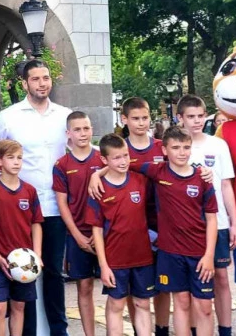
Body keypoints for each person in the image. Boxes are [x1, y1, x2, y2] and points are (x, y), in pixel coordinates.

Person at [94, 127, 218, 335]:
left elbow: (212, 219)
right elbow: (120, 164)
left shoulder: (202, 177)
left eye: (186, 147)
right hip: (171, 252)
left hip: (199, 252)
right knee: (181, 301)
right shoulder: (157, 171)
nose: (182, 152)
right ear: (165, 150)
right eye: (176, 148)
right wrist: (97, 174)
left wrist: (209, 255)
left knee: (204, 307)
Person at [0, 59, 71, 336]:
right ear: (25, 83)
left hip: (56, 207)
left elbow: (80, 152)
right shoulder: (8, 117)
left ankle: (59, 331)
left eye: (46, 78)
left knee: (53, 273)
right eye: (35, 79)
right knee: (22, 271)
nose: (42, 83)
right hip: (20, 209)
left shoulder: (64, 116)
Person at [177, 95, 236, 336]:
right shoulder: (174, 146)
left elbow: (226, 185)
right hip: (188, 226)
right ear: (180, 118)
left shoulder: (218, 145)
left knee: (221, 276)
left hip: (219, 221)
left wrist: (234, 222)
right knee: (191, 282)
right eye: (191, 116)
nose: (196, 121)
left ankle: (225, 330)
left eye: (200, 116)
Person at [87, 134, 155, 336]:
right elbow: (97, 230)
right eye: (116, 157)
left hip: (142, 256)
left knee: (143, 303)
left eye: (125, 155)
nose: (123, 161)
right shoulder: (98, 189)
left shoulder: (140, 180)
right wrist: (103, 265)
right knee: (116, 304)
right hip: (115, 259)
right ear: (104, 159)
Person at [0, 139, 44, 336]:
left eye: (19, 158)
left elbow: (36, 223)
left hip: (25, 262)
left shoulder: (30, 190)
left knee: (19, 306)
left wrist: (37, 254)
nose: (16, 162)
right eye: (11, 158)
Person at [52, 111, 103, 336]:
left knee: (115, 287)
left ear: (92, 129)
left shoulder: (103, 158)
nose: (82, 133)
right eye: (77, 129)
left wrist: (100, 232)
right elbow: (62, 204)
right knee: (84, 286)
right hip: (77, 235)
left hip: (105, 233)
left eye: (86, 128)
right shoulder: (62, 165)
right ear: (68, 134)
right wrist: (77, 235)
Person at [121, 97, 168, 335]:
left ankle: (162, 329)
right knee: (135, 286)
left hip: (161, 223)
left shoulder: (162, 146)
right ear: (125, 120)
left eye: (145, 118)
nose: (141, 123)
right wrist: (96, 176)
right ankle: (139, 330)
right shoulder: (120, 149)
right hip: (131, 226)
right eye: (135, 118)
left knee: (162, 283)